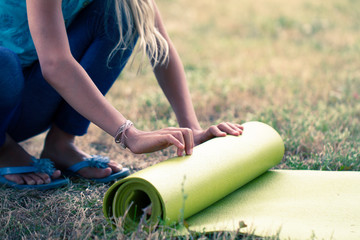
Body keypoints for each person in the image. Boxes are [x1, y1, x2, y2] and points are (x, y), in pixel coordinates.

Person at [0, 0, 243, 190]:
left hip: (28, 99)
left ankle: (61, 144)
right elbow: (55, 64)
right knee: (5, 64)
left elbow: (160, 46)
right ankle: (3, 149)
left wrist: (193, 129)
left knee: (124, 12)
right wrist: (129, 134)